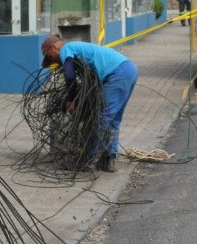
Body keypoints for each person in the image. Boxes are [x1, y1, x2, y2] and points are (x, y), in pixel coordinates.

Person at [40, 34, 138, 172]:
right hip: (129, 69)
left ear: (53, 47)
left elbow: (69, 75)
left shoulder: (66, 49)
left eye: (49, 56)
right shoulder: (78, 49)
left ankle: (89, 159)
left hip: (117, 73)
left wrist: (71, 99)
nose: (53, 61)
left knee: (102, 118)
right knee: (113, 119)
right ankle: (109, 159)